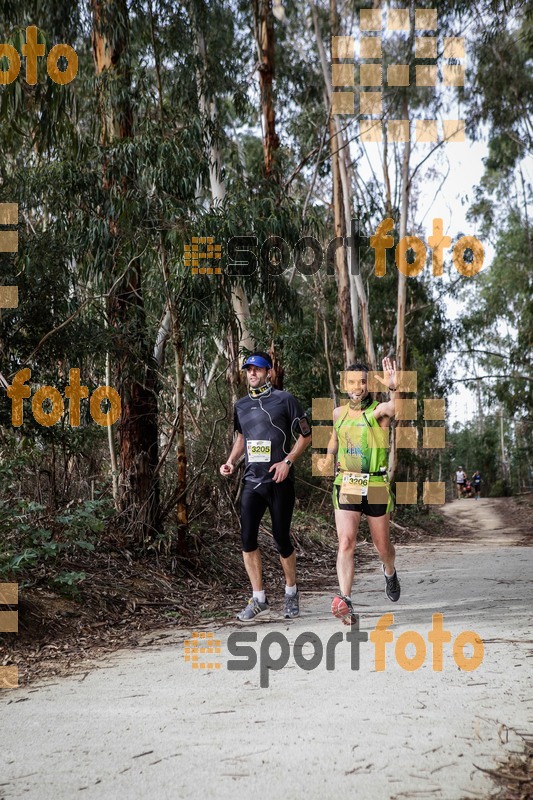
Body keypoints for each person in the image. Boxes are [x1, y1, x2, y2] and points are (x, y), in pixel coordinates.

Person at [220, 352, 312, 621]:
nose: (252, 373)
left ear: (269, 372)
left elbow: (306, 435)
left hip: (279, 481)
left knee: (281, 539)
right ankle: (259, 598)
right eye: (248, 369)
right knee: (247, 539)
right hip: (252, 480)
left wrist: (288, 461)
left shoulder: (285, 400)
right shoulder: (241, 405)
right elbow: (242, 437)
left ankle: (291, 592)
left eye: (258, 369)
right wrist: (231, 462)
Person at [317, 357, 399, 626]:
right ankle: (346, 600)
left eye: (362, 381)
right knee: (346, 542)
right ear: (345, 384)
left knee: (382, 546)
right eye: (352, 382)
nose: (357, 386)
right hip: (348, 483)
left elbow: (393, 408)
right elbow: (334, 439)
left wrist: (394, 388)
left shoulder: (377, 411)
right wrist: (329, 458)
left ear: (368, 384)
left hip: (375, 484)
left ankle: (389, 571)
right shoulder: (338, 414)